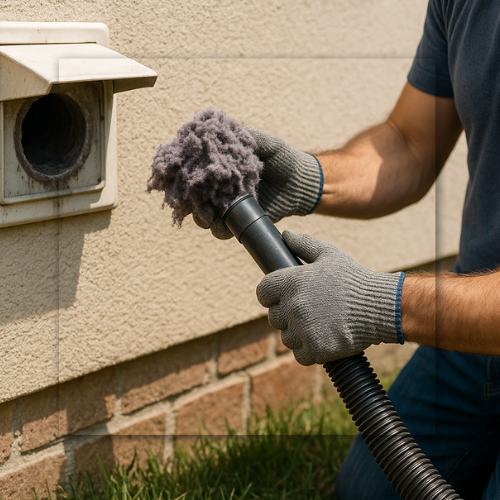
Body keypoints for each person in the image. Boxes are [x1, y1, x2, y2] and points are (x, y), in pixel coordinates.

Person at [246, 1, 500, 498]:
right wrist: (308, 177)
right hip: (475, 332)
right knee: (369, 489)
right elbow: (410, 142)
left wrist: (378, 302)